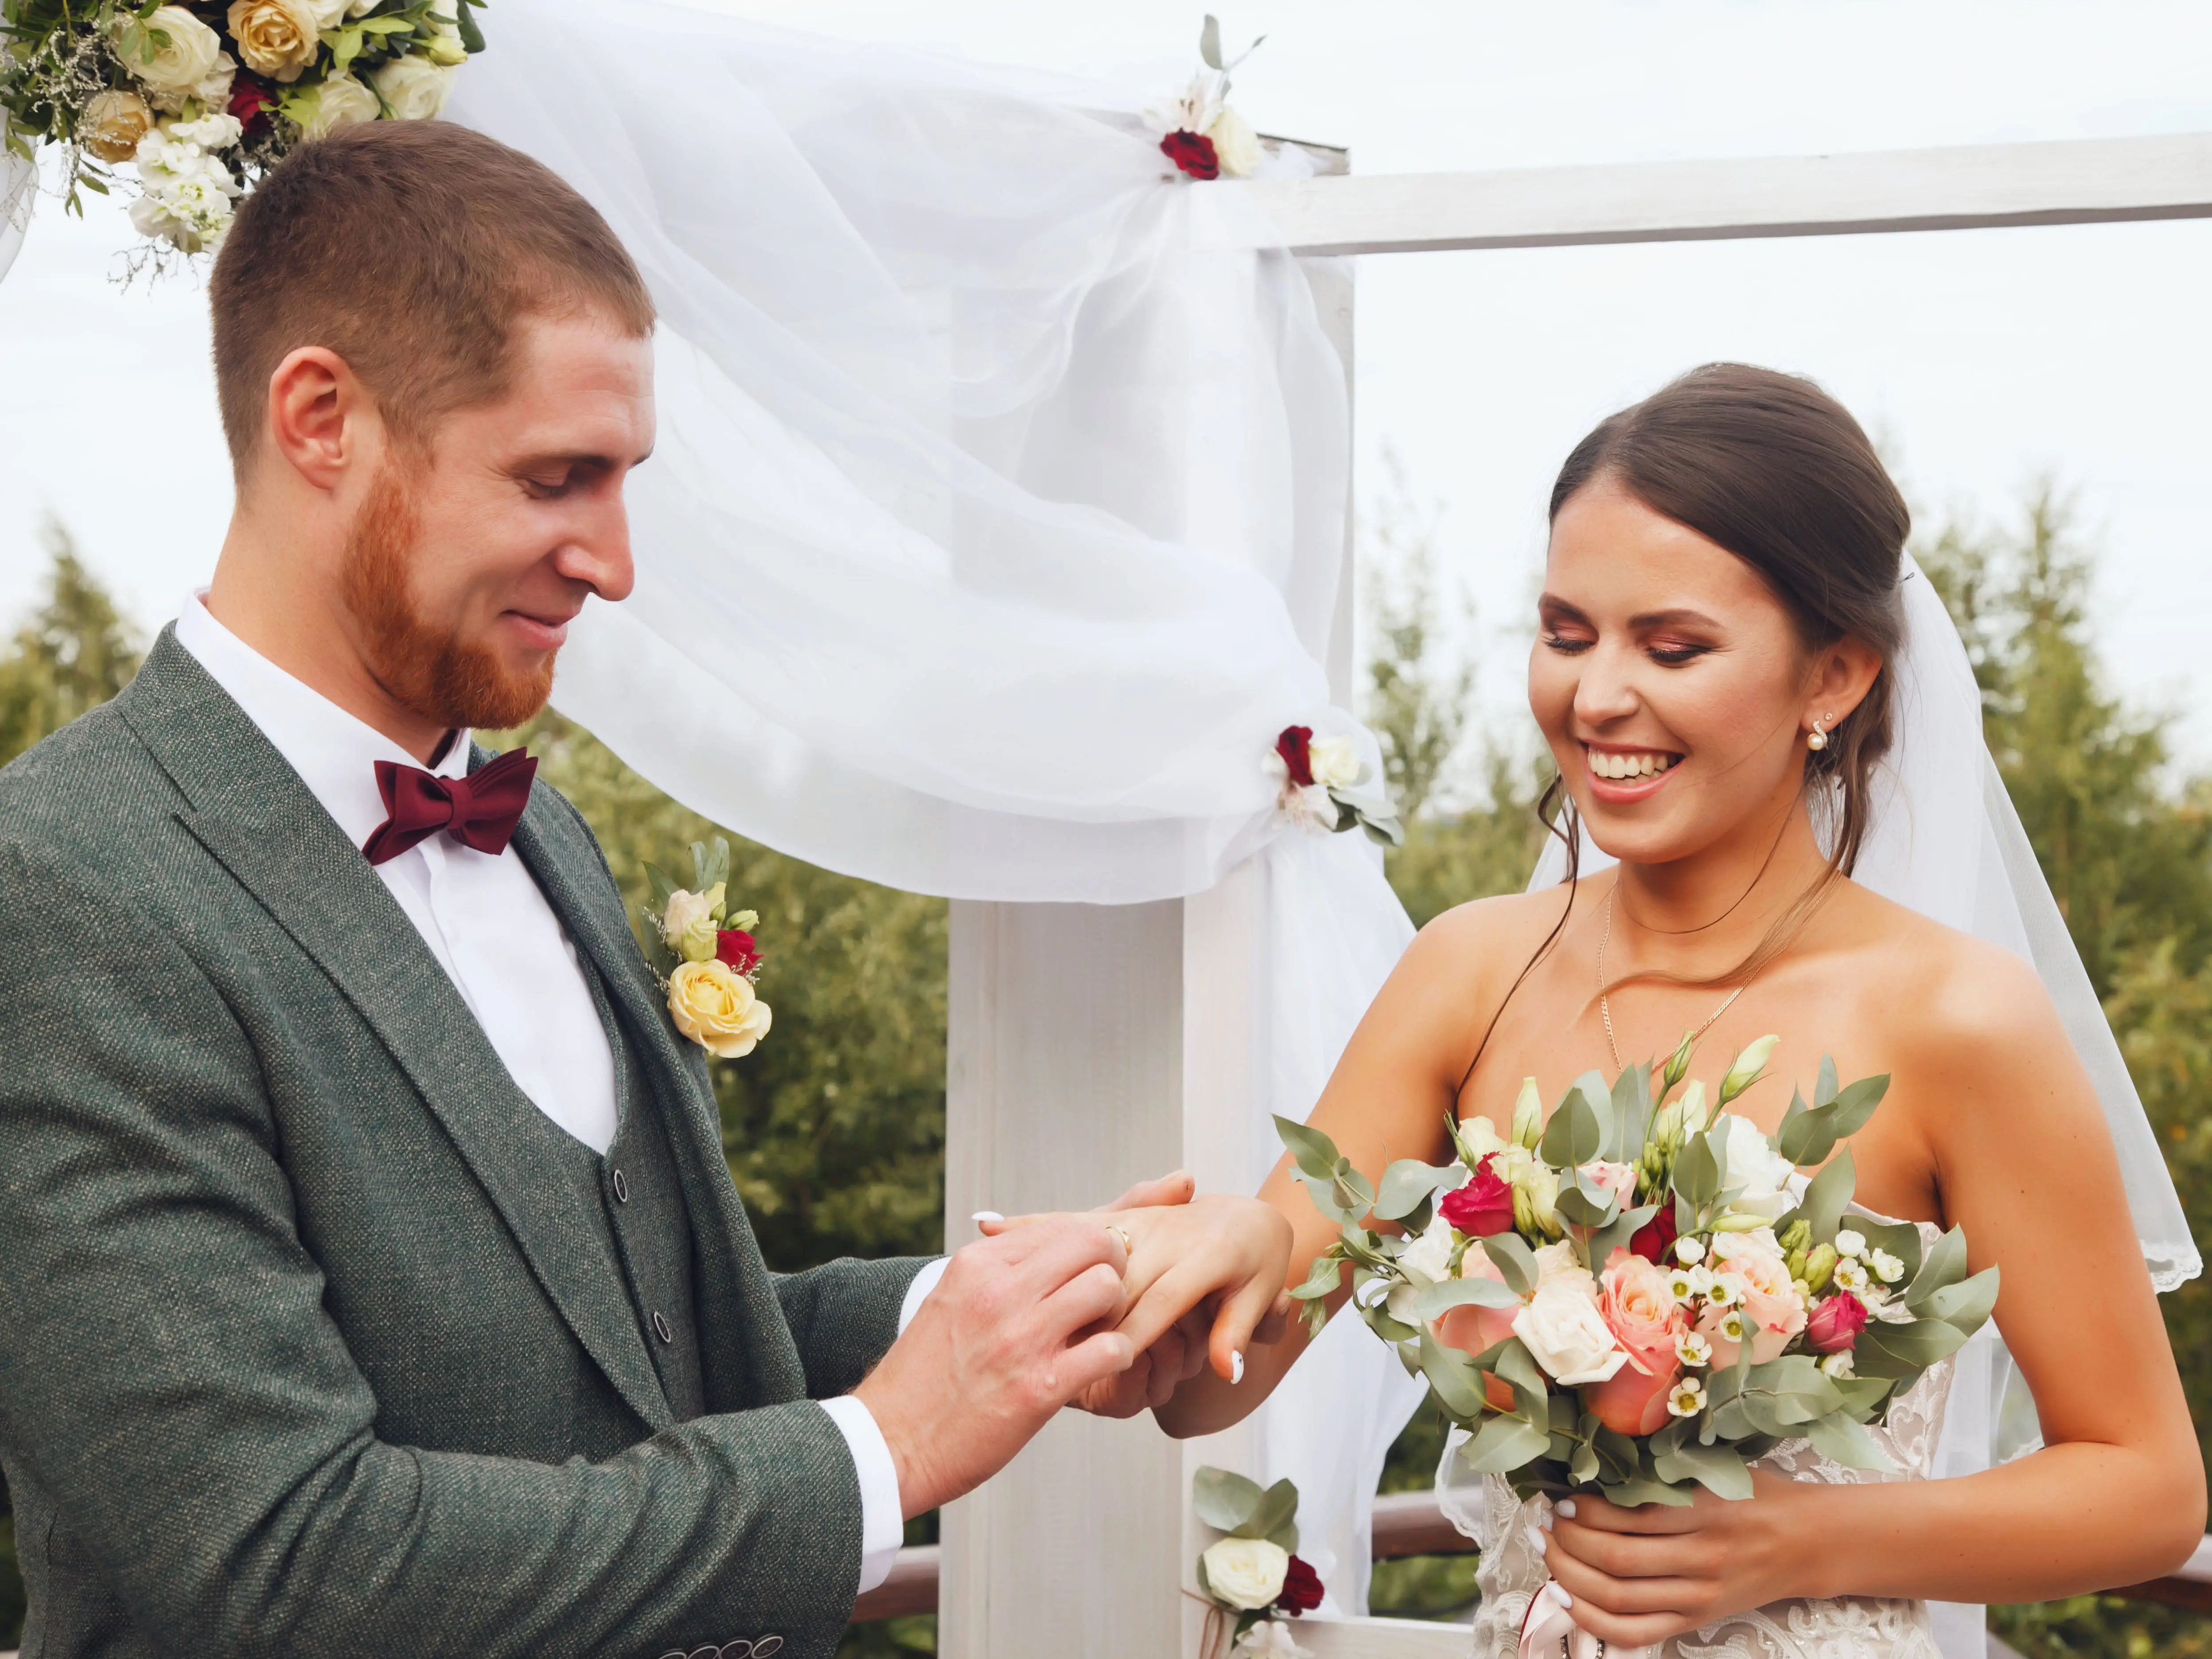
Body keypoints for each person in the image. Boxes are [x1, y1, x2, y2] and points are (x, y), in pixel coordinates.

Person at [0, 121, 1290, 1659]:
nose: (614, 563)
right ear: (323, 418)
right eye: (559, 478)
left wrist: (1011, 1303)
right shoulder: (65, 882)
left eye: (626, 485)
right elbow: (280, 1554)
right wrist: (883, 1451)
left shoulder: (549, 841)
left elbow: (654, 1347)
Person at [1148, 365, 2205, 1655]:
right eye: (1567, 631)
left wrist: (1796, 1542)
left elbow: (2146, 1486)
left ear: (1837, 677)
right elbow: (1220, 1390)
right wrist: (1178, 1288)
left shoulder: (1958, 1018)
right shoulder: (1466, 972)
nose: (1595, 700)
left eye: (1674, 647)